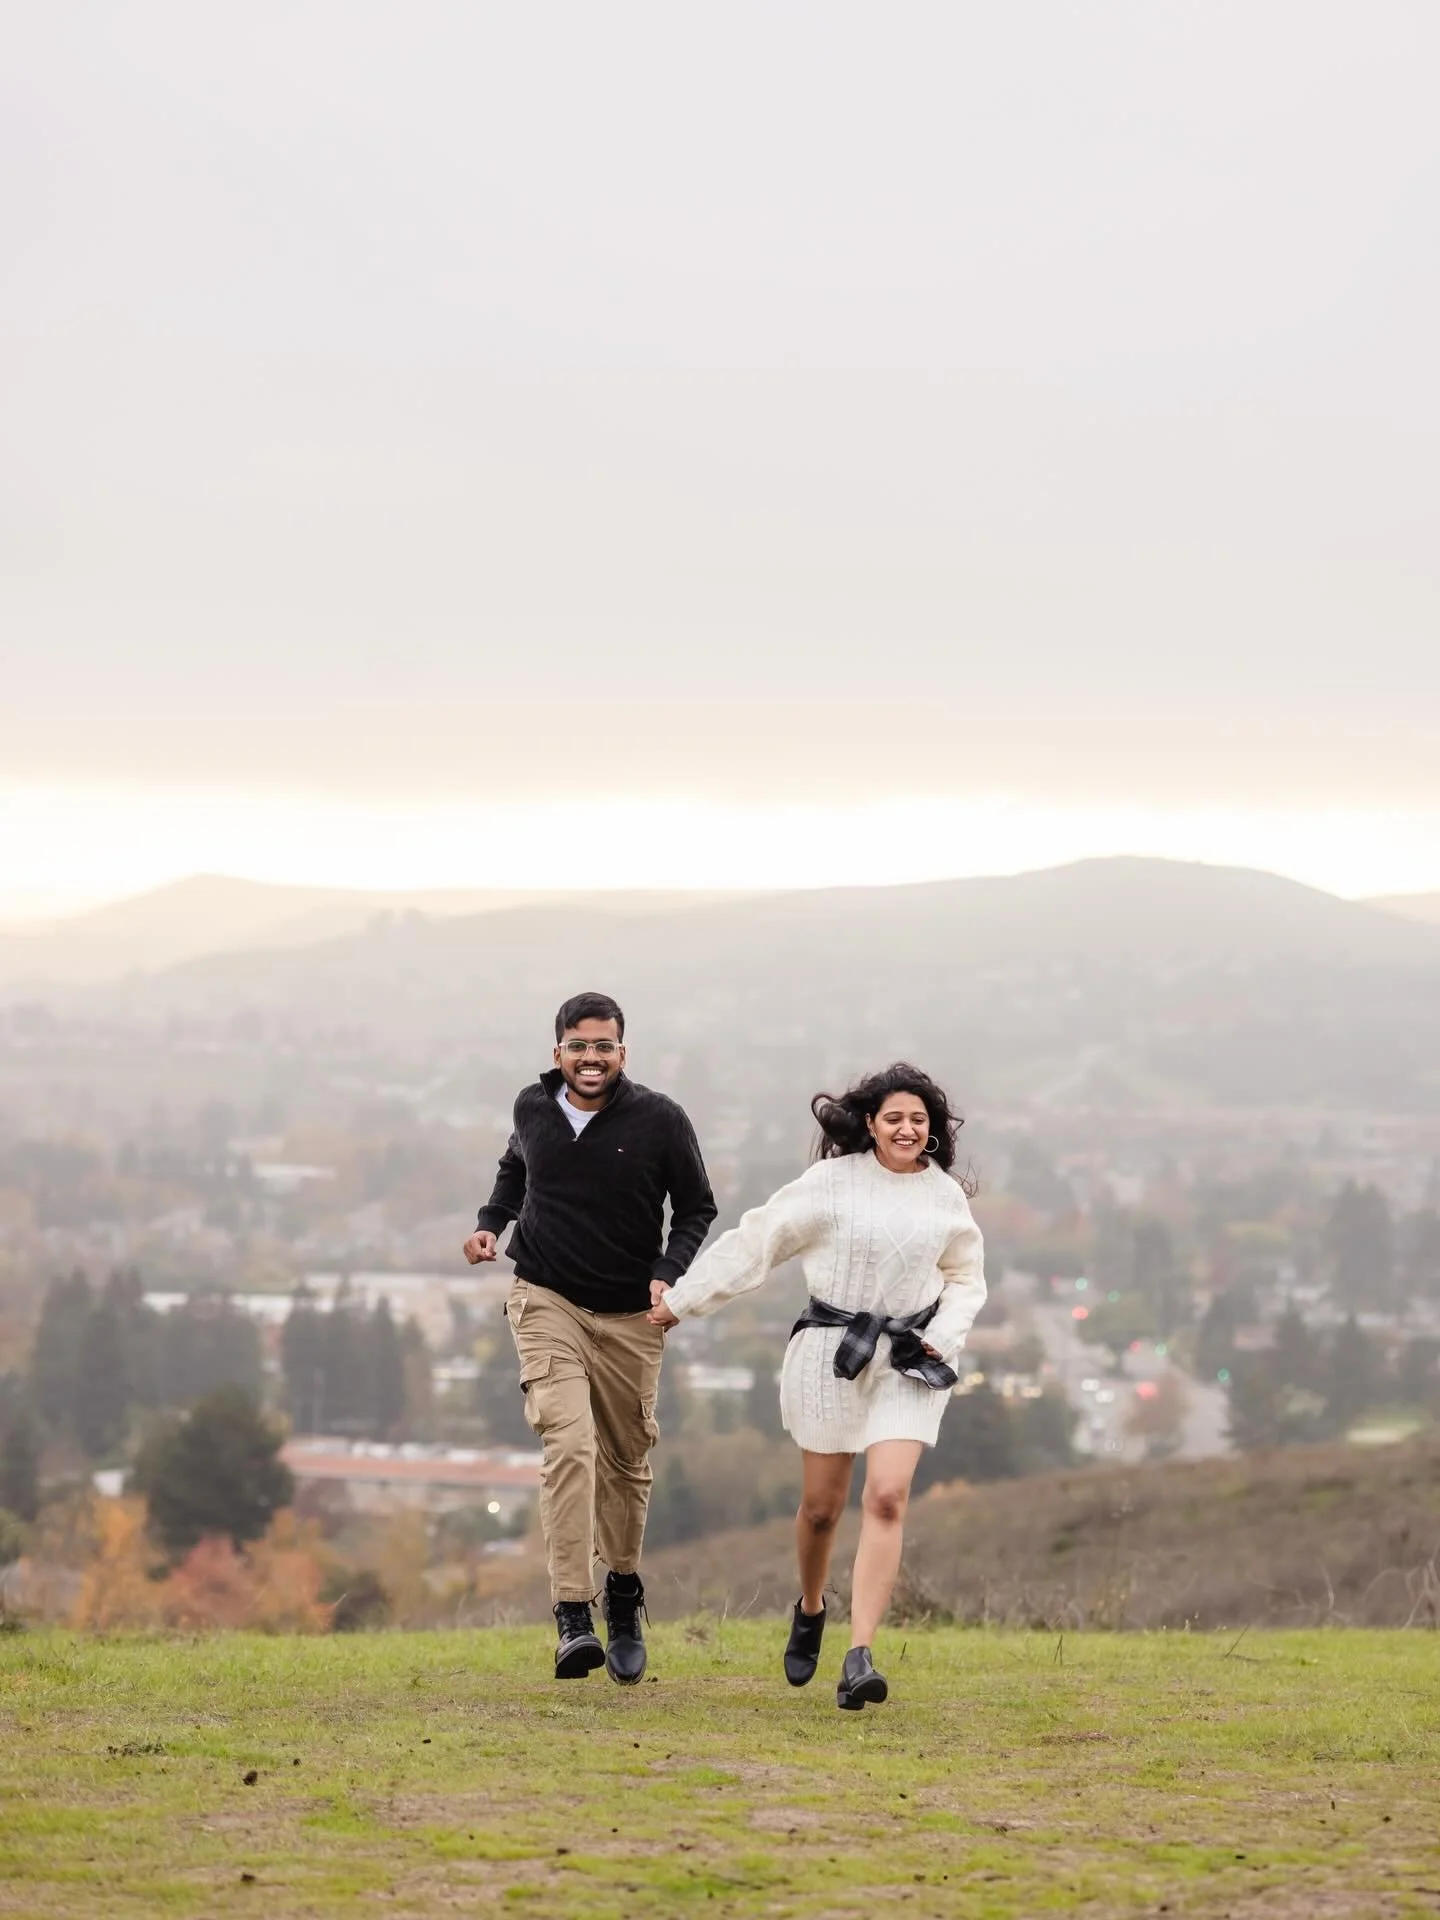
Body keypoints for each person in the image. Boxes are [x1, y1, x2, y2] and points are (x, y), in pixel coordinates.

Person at [648, 1063, 985, 1710]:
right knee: (823, 1509)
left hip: (910, 1358)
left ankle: (860, 1656)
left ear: (933, 1129)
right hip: (831, 1354)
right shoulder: (830, 1184)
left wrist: (944, 1335)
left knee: (887, 1497)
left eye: (918, 1119)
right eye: (895, 1118)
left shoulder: (945, 1196)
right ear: (870, 1124)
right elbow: (758, 1242)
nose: (907, 1129)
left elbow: (967, 1278)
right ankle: (809, 1607)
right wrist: (682, 1302)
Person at [464, 991, 716, 1684]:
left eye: (603, 1046)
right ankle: (573, 1615)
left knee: (627, 1464)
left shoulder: (661, 1120)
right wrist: (491, 1223)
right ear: (559, 1053)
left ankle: (623, 1591)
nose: (591, 1057)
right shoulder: (533, 1106)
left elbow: (697, 1207)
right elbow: (516, 1166)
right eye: (578, 1046)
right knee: (569, 1447)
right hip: (546, 1298)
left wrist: (668, 1273)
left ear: (622, 1054)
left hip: (632, 1316)